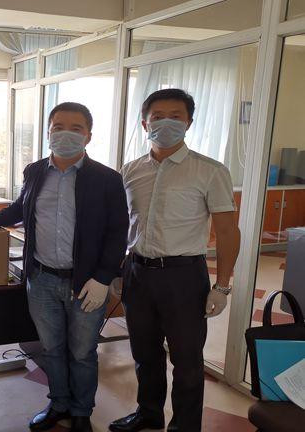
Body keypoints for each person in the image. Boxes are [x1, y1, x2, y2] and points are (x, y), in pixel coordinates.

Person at [0, 102, 129, 432]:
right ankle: (58, 404)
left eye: (76, 128)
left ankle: (81, 411)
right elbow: (20, 208)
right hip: (42, 279)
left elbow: (118, 231)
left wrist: (104, 277)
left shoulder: (107, 178)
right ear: (48, 133)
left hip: (87, 283)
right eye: (58, 127)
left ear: (88, 136)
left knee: (82, 352)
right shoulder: (35, 171)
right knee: (51, 348)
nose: (66, 133)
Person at [109, 88, 240, 432]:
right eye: (157, 117)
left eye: (176, 116)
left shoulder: (209, 171)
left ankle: (185, 426)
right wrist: (117, 270)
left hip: (184, 276)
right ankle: (148, 413)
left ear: (189, 123)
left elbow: (228, 231)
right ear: (144, 123)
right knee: (144, 353)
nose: (166, 123)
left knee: (187, 359)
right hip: (137, 271)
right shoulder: (129, 171)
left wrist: (222, 287)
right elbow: (121, 224)